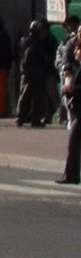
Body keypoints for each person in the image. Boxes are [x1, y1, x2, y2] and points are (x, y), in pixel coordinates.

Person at [56, 23, 81, 186]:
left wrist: (71, 88)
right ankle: (71, 175)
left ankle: (71, 175)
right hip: (78, 104)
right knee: (74, 139)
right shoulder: (72, 46)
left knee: (74, 138)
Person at [17, 22, 54, 126]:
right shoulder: (35, 43)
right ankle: (29, 118)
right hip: (33, 74)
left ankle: (26, 118)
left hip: (30, 74)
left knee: (29, 97)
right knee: (32, 97)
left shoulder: (29, 42)